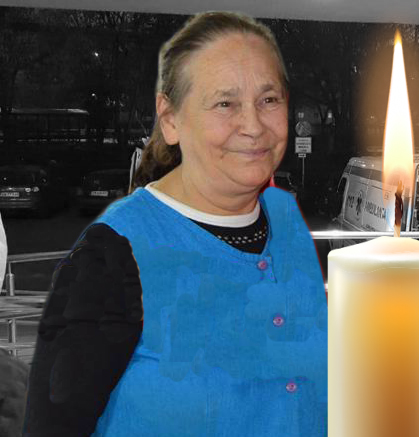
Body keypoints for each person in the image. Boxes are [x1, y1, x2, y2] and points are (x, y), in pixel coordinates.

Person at [23, 12, 327, 437]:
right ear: (170, 119)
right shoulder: (113, 255)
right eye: (225, 103)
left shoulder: (286, 220)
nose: (254, 125)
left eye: (269, 99)